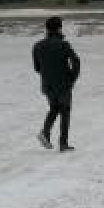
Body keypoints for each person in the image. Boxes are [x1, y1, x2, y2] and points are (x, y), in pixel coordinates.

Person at [32, 17, 81, 152]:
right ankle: (63, 143)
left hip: (47, 85)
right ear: (59, 28)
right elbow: (76, 61)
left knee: (54, 108)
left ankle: (45, 133)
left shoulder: (37, 45)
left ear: (47, 28)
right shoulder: (63, 44)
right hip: (63, 84)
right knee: (65, 111)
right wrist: (72, 77)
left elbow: (37, 68)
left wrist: (48, 74)